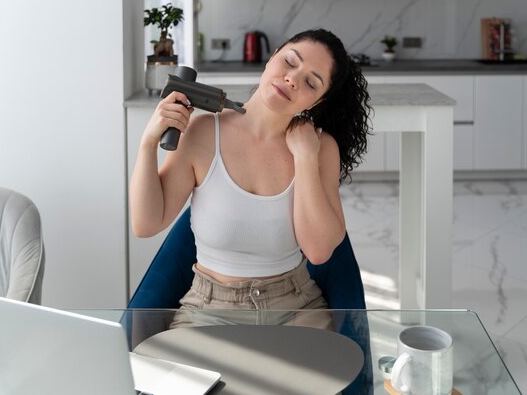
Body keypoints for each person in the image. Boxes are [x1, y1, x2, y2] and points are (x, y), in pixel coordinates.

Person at [129, 28, 372, 328]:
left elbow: (319, 251)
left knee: (322, 373)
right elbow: (145, 224)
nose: (292, 79)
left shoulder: (321, 149)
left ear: (317, 102)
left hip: (297, 308)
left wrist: (306, 158)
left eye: (310, 82)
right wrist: (147, 144)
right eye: (289, 62)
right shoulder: (202, 133)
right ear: (271, 58)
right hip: (209, 309)